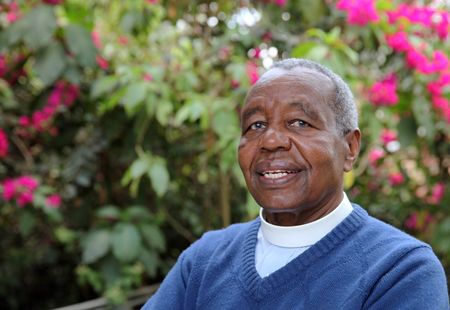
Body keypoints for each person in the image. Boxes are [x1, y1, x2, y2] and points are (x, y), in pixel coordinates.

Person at [141, 58, 449, 309]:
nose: (271, 140)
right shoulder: (204, 260)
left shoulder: (398, 271)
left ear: (350, 148)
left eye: (300, 123)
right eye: (256, 125)